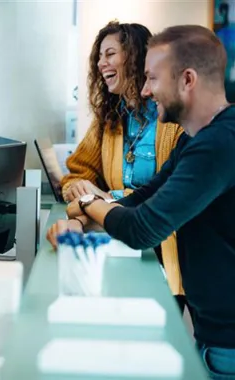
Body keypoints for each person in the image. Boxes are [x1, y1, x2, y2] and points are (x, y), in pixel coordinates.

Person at [47, 25, 235, 378]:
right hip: (211, 329)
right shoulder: (197, 141)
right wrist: (81, 218)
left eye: (152, 79)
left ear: (187, 80)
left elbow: (142, 227)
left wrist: (87, 205)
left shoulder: (218, 145)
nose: (146, 90)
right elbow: (141, 199)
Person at [60, 21, 186, 311]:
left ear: (135, 56)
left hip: (164, 247)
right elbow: (76, 173)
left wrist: (99, 201)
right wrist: (78, 189)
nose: (101, 63)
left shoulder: (171, 117)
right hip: (122, 239)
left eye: (110, 54)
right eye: (99, 57)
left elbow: (172, 191)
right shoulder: (109, 119)